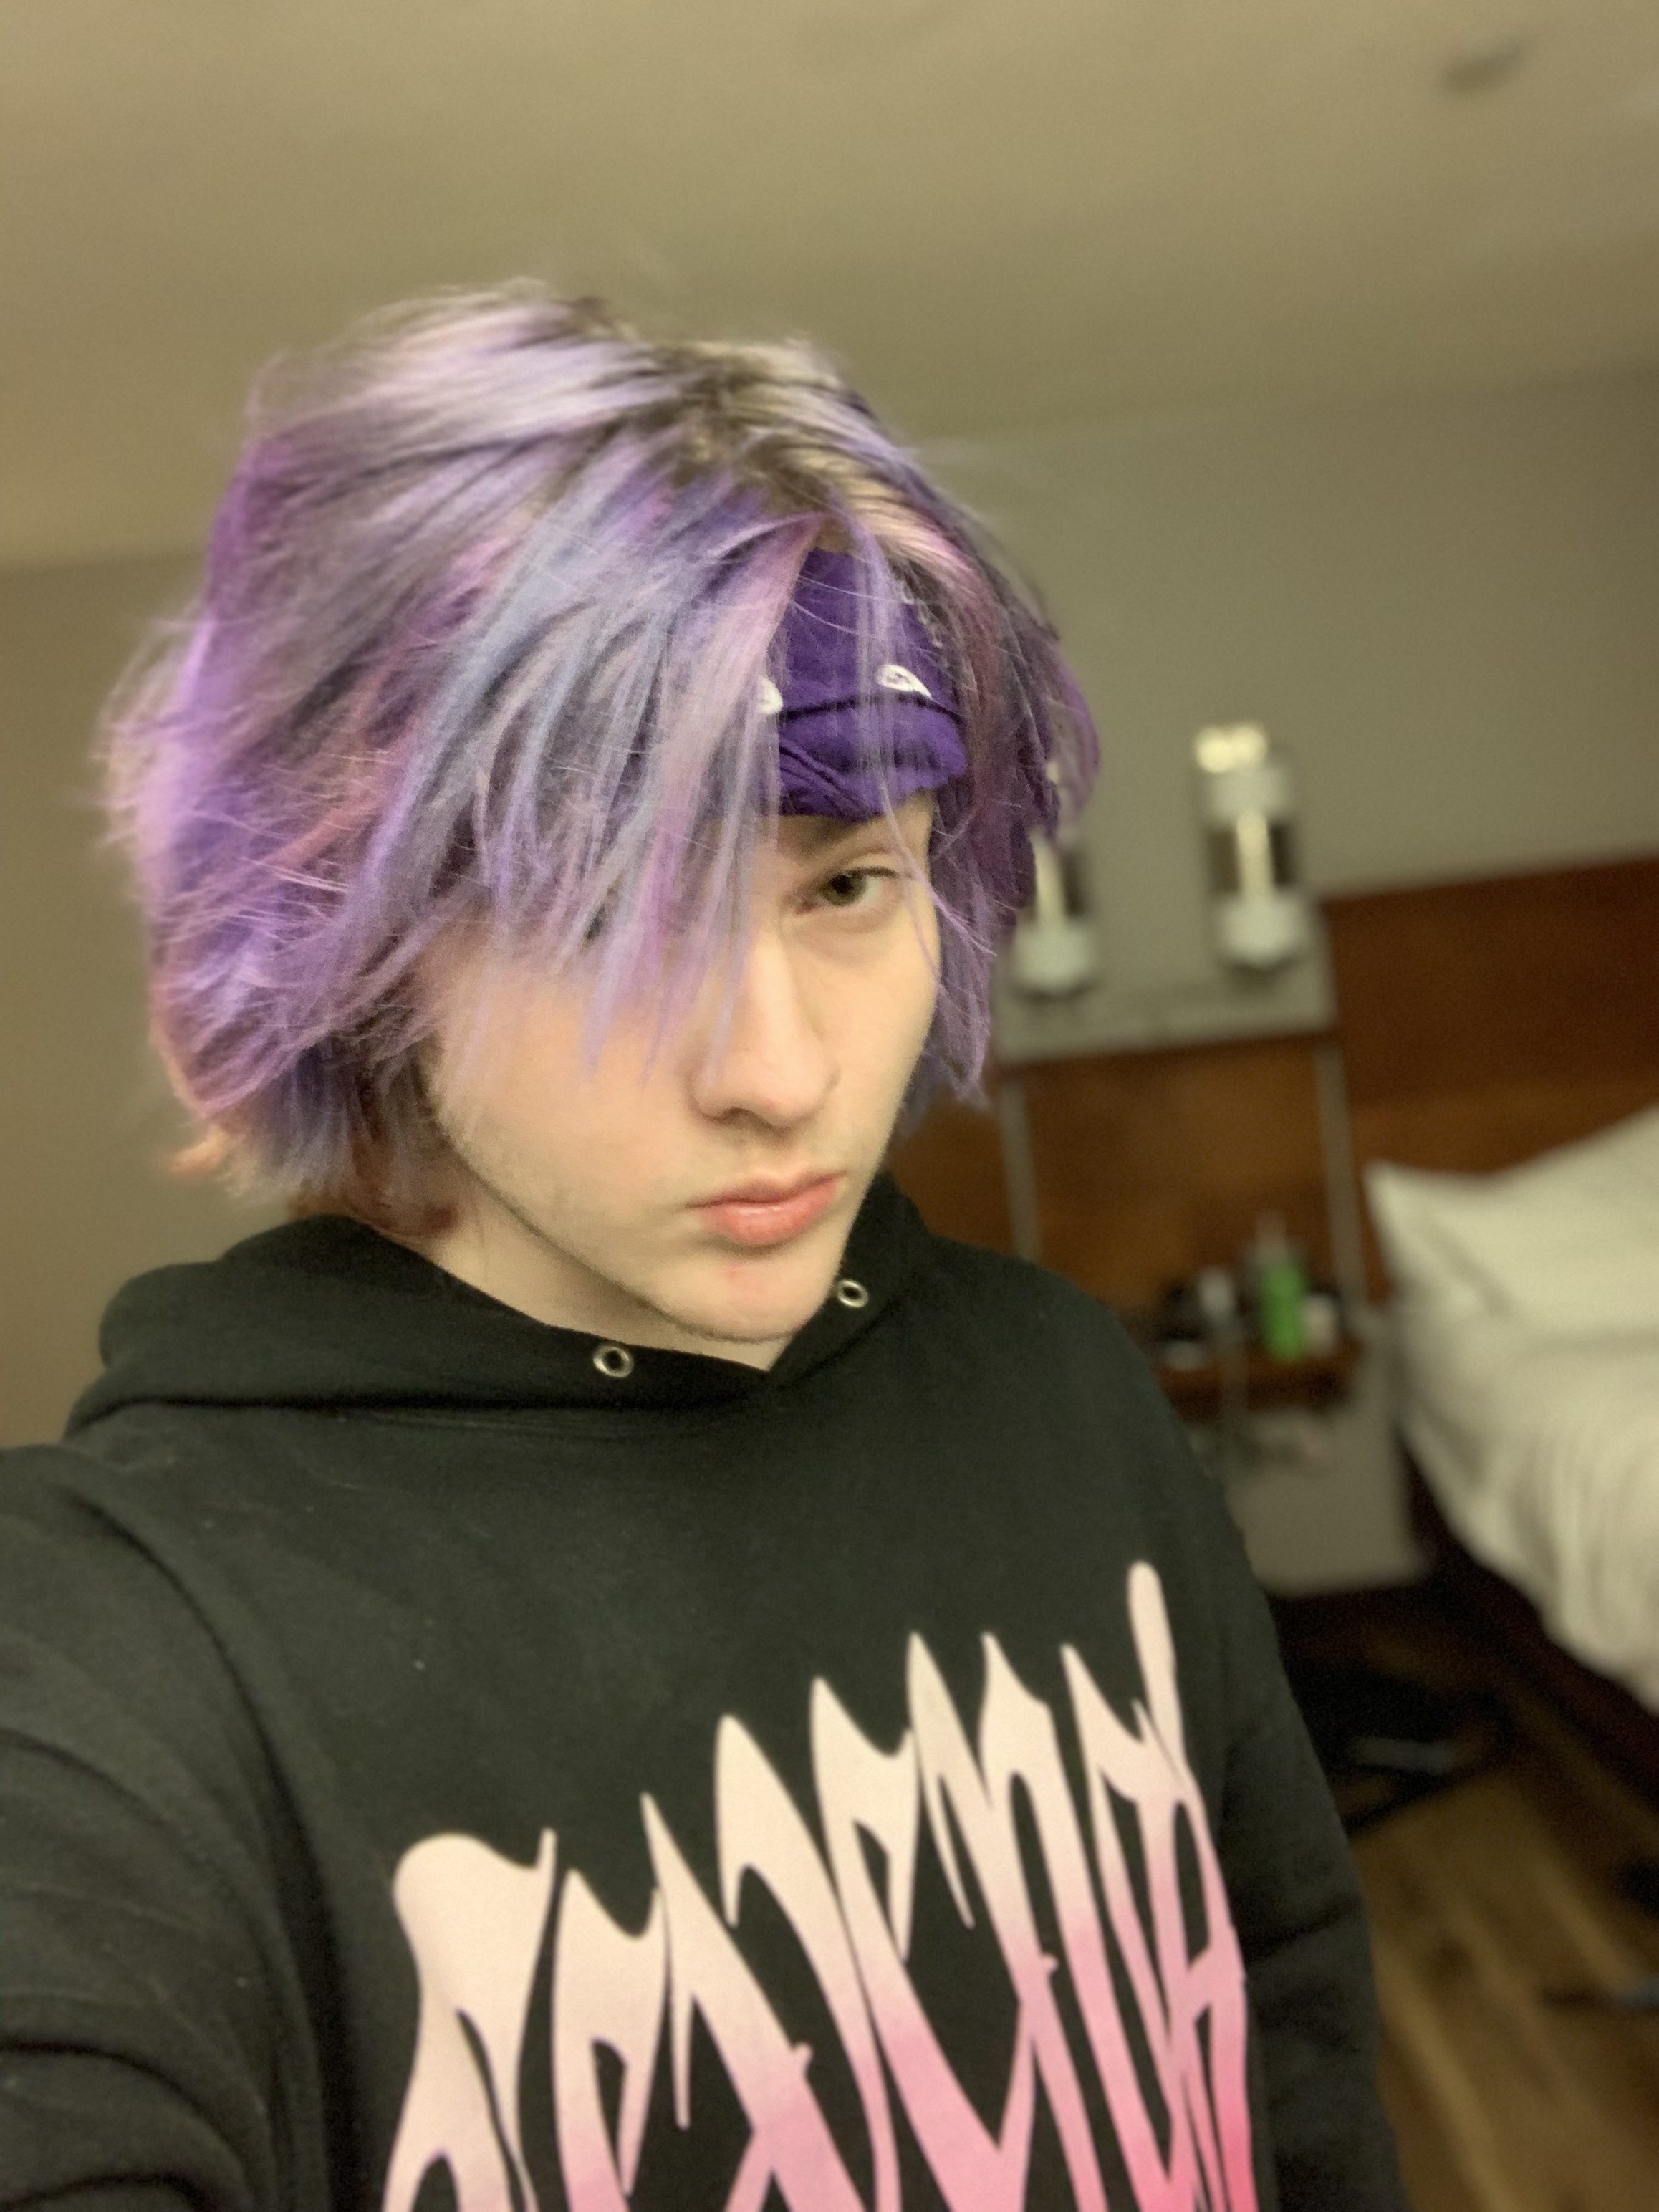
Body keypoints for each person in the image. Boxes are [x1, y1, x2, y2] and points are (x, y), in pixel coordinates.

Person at [0, 288, 1406, 2211]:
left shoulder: (1066, 1388)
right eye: (606, 912)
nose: (777, 1075)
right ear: (352, 944)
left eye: (847, 884)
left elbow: (1287, 2029)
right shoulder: (114, 1651)